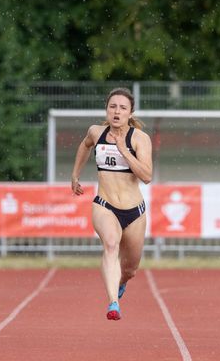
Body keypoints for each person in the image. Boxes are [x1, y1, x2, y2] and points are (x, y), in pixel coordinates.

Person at [71, 87, 152, 320]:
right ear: (106, 109)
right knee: (110, 244)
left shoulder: (139, 139)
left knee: (130, 269)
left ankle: (121, 282)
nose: (117, 112)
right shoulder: (96, 132)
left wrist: (124, 151)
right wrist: (75, 175)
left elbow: (146, 176)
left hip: (134, 211)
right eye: (112, 106)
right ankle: (113, 303)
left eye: (122, 108)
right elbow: (85, 146)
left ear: (130, 112)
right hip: (104, 204)